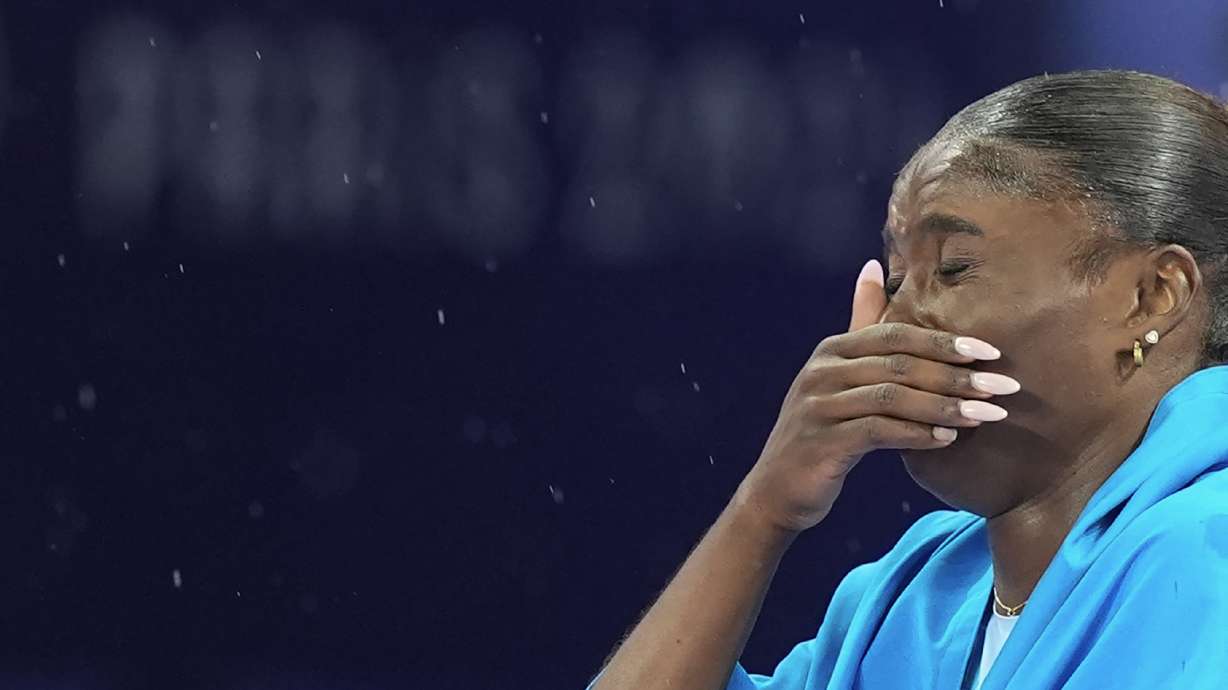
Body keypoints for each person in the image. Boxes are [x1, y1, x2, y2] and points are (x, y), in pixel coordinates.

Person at [583, 69, 1228, 690]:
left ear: (1151, 296)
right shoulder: (915, 596)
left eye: (953, 269)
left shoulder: (1207, 549)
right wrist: (764, 509)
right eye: (895, 279)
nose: (897, 320)